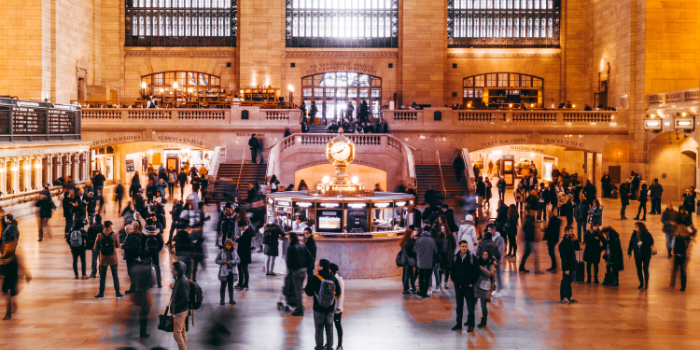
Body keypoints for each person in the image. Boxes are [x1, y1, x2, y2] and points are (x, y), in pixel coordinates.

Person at [304, 259, 342, 350]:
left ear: (321, 267)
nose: (317, 266)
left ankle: (319, 347)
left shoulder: (315, 277)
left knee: (319, 329)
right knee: (329, 329)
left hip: (318, 308)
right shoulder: (333, 278)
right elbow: (338, 292)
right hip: (330, 308)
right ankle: (329, 347)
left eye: (318, 265)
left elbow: (308, 292)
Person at [451, 240, 478, 332]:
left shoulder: (472, 258)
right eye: (462, 246)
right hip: (458, 286)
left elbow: (476, 272)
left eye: (466, 246)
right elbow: (452, 270)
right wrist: (454, 280)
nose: (464, 248)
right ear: (459, 247)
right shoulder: (456, 258)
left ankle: (471, 325)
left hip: (468, 287)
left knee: (470, 306)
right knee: (459, 306)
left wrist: (472, 283)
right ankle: (458, 324)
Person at [94, 221, 122, 298]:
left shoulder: (99, 235)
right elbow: (118, 245)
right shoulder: (114, 234)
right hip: (113, 258)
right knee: (115, 275)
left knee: (102, 277)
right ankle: (117, 292)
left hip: (103, 259)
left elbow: (95, 247)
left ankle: (101, 293)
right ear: (110, 226)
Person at [286, 232, 312, 316]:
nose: (287, 238)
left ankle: (299, 309)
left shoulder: (290, 247)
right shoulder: (302, 245)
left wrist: (291, 270)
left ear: (291, 238)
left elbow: (288, 261)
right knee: (300, 290)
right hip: (303, 270)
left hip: (296, 271)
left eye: (288, 237)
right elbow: (310, 256)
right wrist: (306, 266)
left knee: (298, 291)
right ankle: (299, 306)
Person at [628, 222, 655, 290]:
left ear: (641, 227)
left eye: (637, 226)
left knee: (645, 269)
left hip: (646, 254)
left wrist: (643, 243)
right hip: (637, 254)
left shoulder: (647, 234)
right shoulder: (634, 234)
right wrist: (629, 252)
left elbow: (651, 242)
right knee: (639, 269)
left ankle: (646, 284)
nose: (636, 228)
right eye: (635, 226)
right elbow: (631, 243)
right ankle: (641, 283)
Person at [171, 261, 190, 350]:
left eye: (173, 269)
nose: (172, 271)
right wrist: (174, 287)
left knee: (176, 334)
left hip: (180, 311)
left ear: (179, 270)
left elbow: (185, 299)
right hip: (183, 310)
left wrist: (175, 306)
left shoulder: (181, 281)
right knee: (182, 333)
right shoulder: (180, 279)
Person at [216, 239, 240, 305]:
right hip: (224, 272)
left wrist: (232, 262)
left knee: (231, 286)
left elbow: (238, 260)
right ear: (225, 245)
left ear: (231, 245)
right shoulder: (221, 252)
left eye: (229, 245)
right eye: (227, 245)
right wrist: (222, 262)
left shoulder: (234, 252)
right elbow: (216, 260)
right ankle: (222, 300)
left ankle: (231, 299)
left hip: (232, 272)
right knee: (223, 286)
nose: (228, 246)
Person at [415, 227, 437, 298]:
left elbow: (414, 249)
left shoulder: (419, 239)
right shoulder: (431, 240)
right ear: (429, 231)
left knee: (421, 277)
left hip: (420, 262)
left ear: (423, 231)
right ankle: (424, 292)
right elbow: (435, 250)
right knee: (427, 278)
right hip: (429, 262)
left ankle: (421, 292)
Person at [558, 226, 578, 304]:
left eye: (572, 231)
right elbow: (564, 257)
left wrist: (575, 240)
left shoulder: (571, 241)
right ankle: (563, 297)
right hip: (567, 266)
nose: (572, 233)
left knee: (569, 281)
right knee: (565, 281)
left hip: (572, 264)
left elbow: (577, 248)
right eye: (570, 231)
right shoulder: (563, 244)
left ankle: (569, 296)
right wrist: (566, 269)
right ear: (566, 232)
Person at [475, 250, 494, 328]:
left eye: (486, 255)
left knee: (483, 305)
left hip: (484, 286)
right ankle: (470, 319)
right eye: (483, 255)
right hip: (476, 285)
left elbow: (489, 273)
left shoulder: (490, 263)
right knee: (472, 303)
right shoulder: (478, 261)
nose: (484, 256)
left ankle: (484, 320)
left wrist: (480, 267)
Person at [235, 220, 255, 290]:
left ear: (243, 226)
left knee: (244, 270)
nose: (240, 229)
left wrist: (238, 239)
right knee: (240, 269)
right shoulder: (245, 232)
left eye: (240, 227)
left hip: (245, 254)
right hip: (241, 253)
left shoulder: (247, 232)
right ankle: (240, 283)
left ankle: (245, 284)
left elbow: (244, 242)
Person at [670, 225, 690, 291]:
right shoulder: (687, 238)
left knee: (674, 269)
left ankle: (672, 284)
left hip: (677, 255)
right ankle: (683, 286)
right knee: (683, 271)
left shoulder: (675, 238)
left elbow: (672, 246)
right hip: (684, 256)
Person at [518, 209, 538, 273]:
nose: (534, 213)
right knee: (532, 254)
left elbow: (524, 228)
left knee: (527, 254)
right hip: (529, 240)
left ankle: (522, 267)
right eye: (532, 212)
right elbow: (528, 230)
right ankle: (536, 269)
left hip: (528, 240)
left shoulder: (528, 220)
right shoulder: (529, 220)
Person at [330, 263, 345, 350]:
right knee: (329, 326)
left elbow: (341, 295)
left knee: (337, 326)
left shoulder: (339, 280)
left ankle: (340, 345)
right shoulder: (332, 278)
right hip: (331, 307)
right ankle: (329, 343)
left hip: (337, 308)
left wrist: (338, 307)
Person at [439, 224, 457, 291]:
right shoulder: (440, 236)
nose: (443, 230)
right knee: (440, 269)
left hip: (448, 255)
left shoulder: (450, 237)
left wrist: (452, 252)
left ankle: (445, 283)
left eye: (444, 228)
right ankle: (440, 283)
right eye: (442, 228)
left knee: (447, 269)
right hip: (441, 255)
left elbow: (454, 245)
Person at [400, 229, 417, 294]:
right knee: (409, 275)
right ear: (409, 234)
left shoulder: (404, 241)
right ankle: (407, 289)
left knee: (406, 275)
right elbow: (411, 253)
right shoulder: (409, 242)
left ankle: (408, 288)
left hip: (404, 260)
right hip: (409, 260)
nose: (413, 234)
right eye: (412, 233)